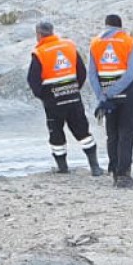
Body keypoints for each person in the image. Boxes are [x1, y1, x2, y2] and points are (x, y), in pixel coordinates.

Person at [27, 20, 102, 175]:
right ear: (53, 31)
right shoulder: (69, 46)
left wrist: (44, 96)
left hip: (53, 102)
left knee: (56, 134)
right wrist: (74, 89)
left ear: (39, 34)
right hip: (73, 98)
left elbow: (33, 80)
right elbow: (81, 72)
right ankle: (95, 167)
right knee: (83, 132)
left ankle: (63, 168)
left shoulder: (39, 52)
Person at [90, 13, 133, 188]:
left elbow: (92, 74)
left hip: (107, 97)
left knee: (112, 135)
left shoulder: (95, 43)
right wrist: (114, 91)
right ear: (120, 27)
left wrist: (102, 96)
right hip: (126, 95)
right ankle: (124, 175)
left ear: (105, 26)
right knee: (127, 133)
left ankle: (114, 172)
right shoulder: (129, 42)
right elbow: (130, 73)